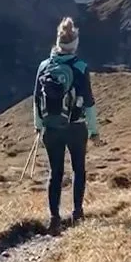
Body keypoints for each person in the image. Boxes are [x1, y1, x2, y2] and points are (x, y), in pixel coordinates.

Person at [33, 16, 99, 234]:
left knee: (55, 172)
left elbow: (35, 99)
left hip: (51, 128)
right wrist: (94, 131)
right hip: (75, 127)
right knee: (78, 169)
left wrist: (38, 126)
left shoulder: (44, 66)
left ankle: (54, 219)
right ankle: (77, 213)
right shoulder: (80, 67)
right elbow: (88, 102)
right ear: (75, 43)